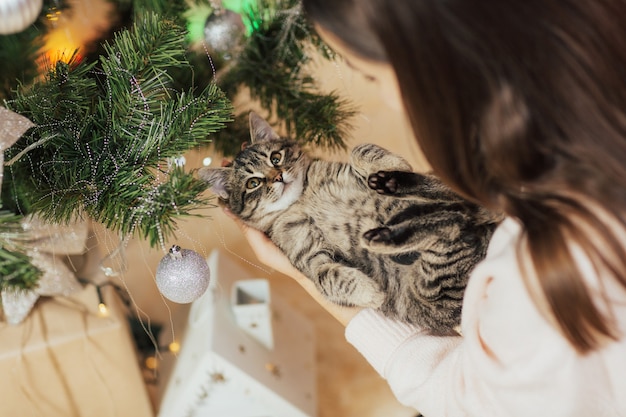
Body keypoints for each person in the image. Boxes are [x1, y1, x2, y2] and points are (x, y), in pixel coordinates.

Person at [227, 0, 626, 415]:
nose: (391, 100)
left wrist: (301, 274)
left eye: (371, 74)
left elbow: (466, 398)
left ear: (435, 53)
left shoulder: (541, 274)